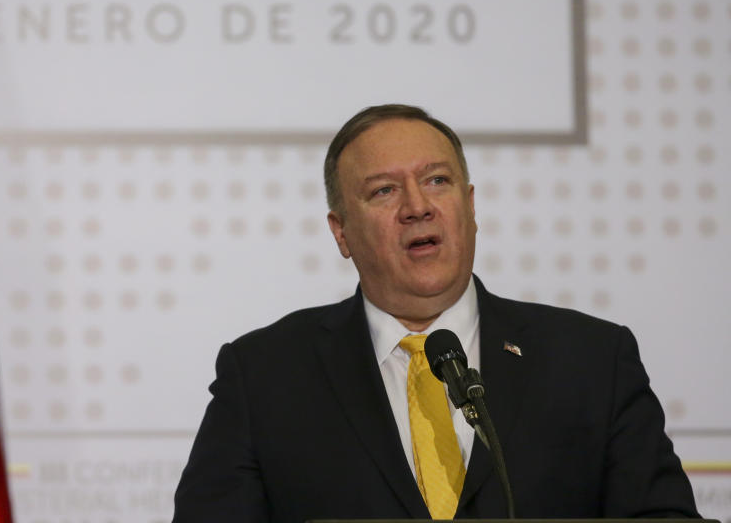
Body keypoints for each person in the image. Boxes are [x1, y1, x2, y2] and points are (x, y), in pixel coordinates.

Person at [173, 104, 698, 522]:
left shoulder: (591, 360)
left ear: (470, 208)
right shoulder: (264, 374)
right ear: (341, 232)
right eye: (383, 190)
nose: (417, 206)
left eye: (437, 181)